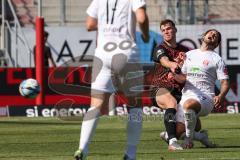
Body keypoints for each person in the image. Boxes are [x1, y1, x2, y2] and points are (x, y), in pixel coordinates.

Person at [74, 0, 149, 160]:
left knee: (95, 105)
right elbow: (142, 19)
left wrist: (108, 25)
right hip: (126, 52)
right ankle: (130, 154)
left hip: (102, 54)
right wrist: (146, 33)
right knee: (135, 105)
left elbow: (89, 24)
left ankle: (82, 149)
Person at [180, 29, 230, 149]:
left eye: (216, 35)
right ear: (204, 36)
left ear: (217, 43)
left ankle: (188, 139)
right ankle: (201, 136)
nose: (212, 35)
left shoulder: (217, 59)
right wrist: (174, 72)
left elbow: (225, 83)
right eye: (211, 33)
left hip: (206, 97)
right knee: (173, 132)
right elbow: (182, 77)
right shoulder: (189, 54)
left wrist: (221, 96)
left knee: (189, 104)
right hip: (185, 95)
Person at [151, 19, 189, 150]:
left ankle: (169, 134)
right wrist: (173, 64)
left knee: (191, 125)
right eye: (163, 30)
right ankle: (172, 143)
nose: (166, 31)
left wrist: (180, 76)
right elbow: (165, 61)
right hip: (160, 88)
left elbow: (188, 76)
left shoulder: (185, 51)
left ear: (175, 29)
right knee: (171, 102)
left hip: (180, 92)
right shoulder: (160, 48)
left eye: (168, 28)